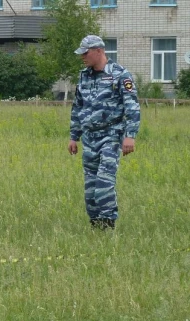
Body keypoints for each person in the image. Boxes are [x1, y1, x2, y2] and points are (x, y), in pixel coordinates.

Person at [68, 35, 140, 230]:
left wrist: (130, 136)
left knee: (104, 183)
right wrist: (74, 137)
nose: (82, 56)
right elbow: (78, 107)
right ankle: (96, 226)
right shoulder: (84, 75)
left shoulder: (120, 75)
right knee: (90, 188)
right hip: (90, 138)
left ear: (98, 50)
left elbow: (132, 107)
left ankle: (108, 224)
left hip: (111, 136)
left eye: (86, 52)